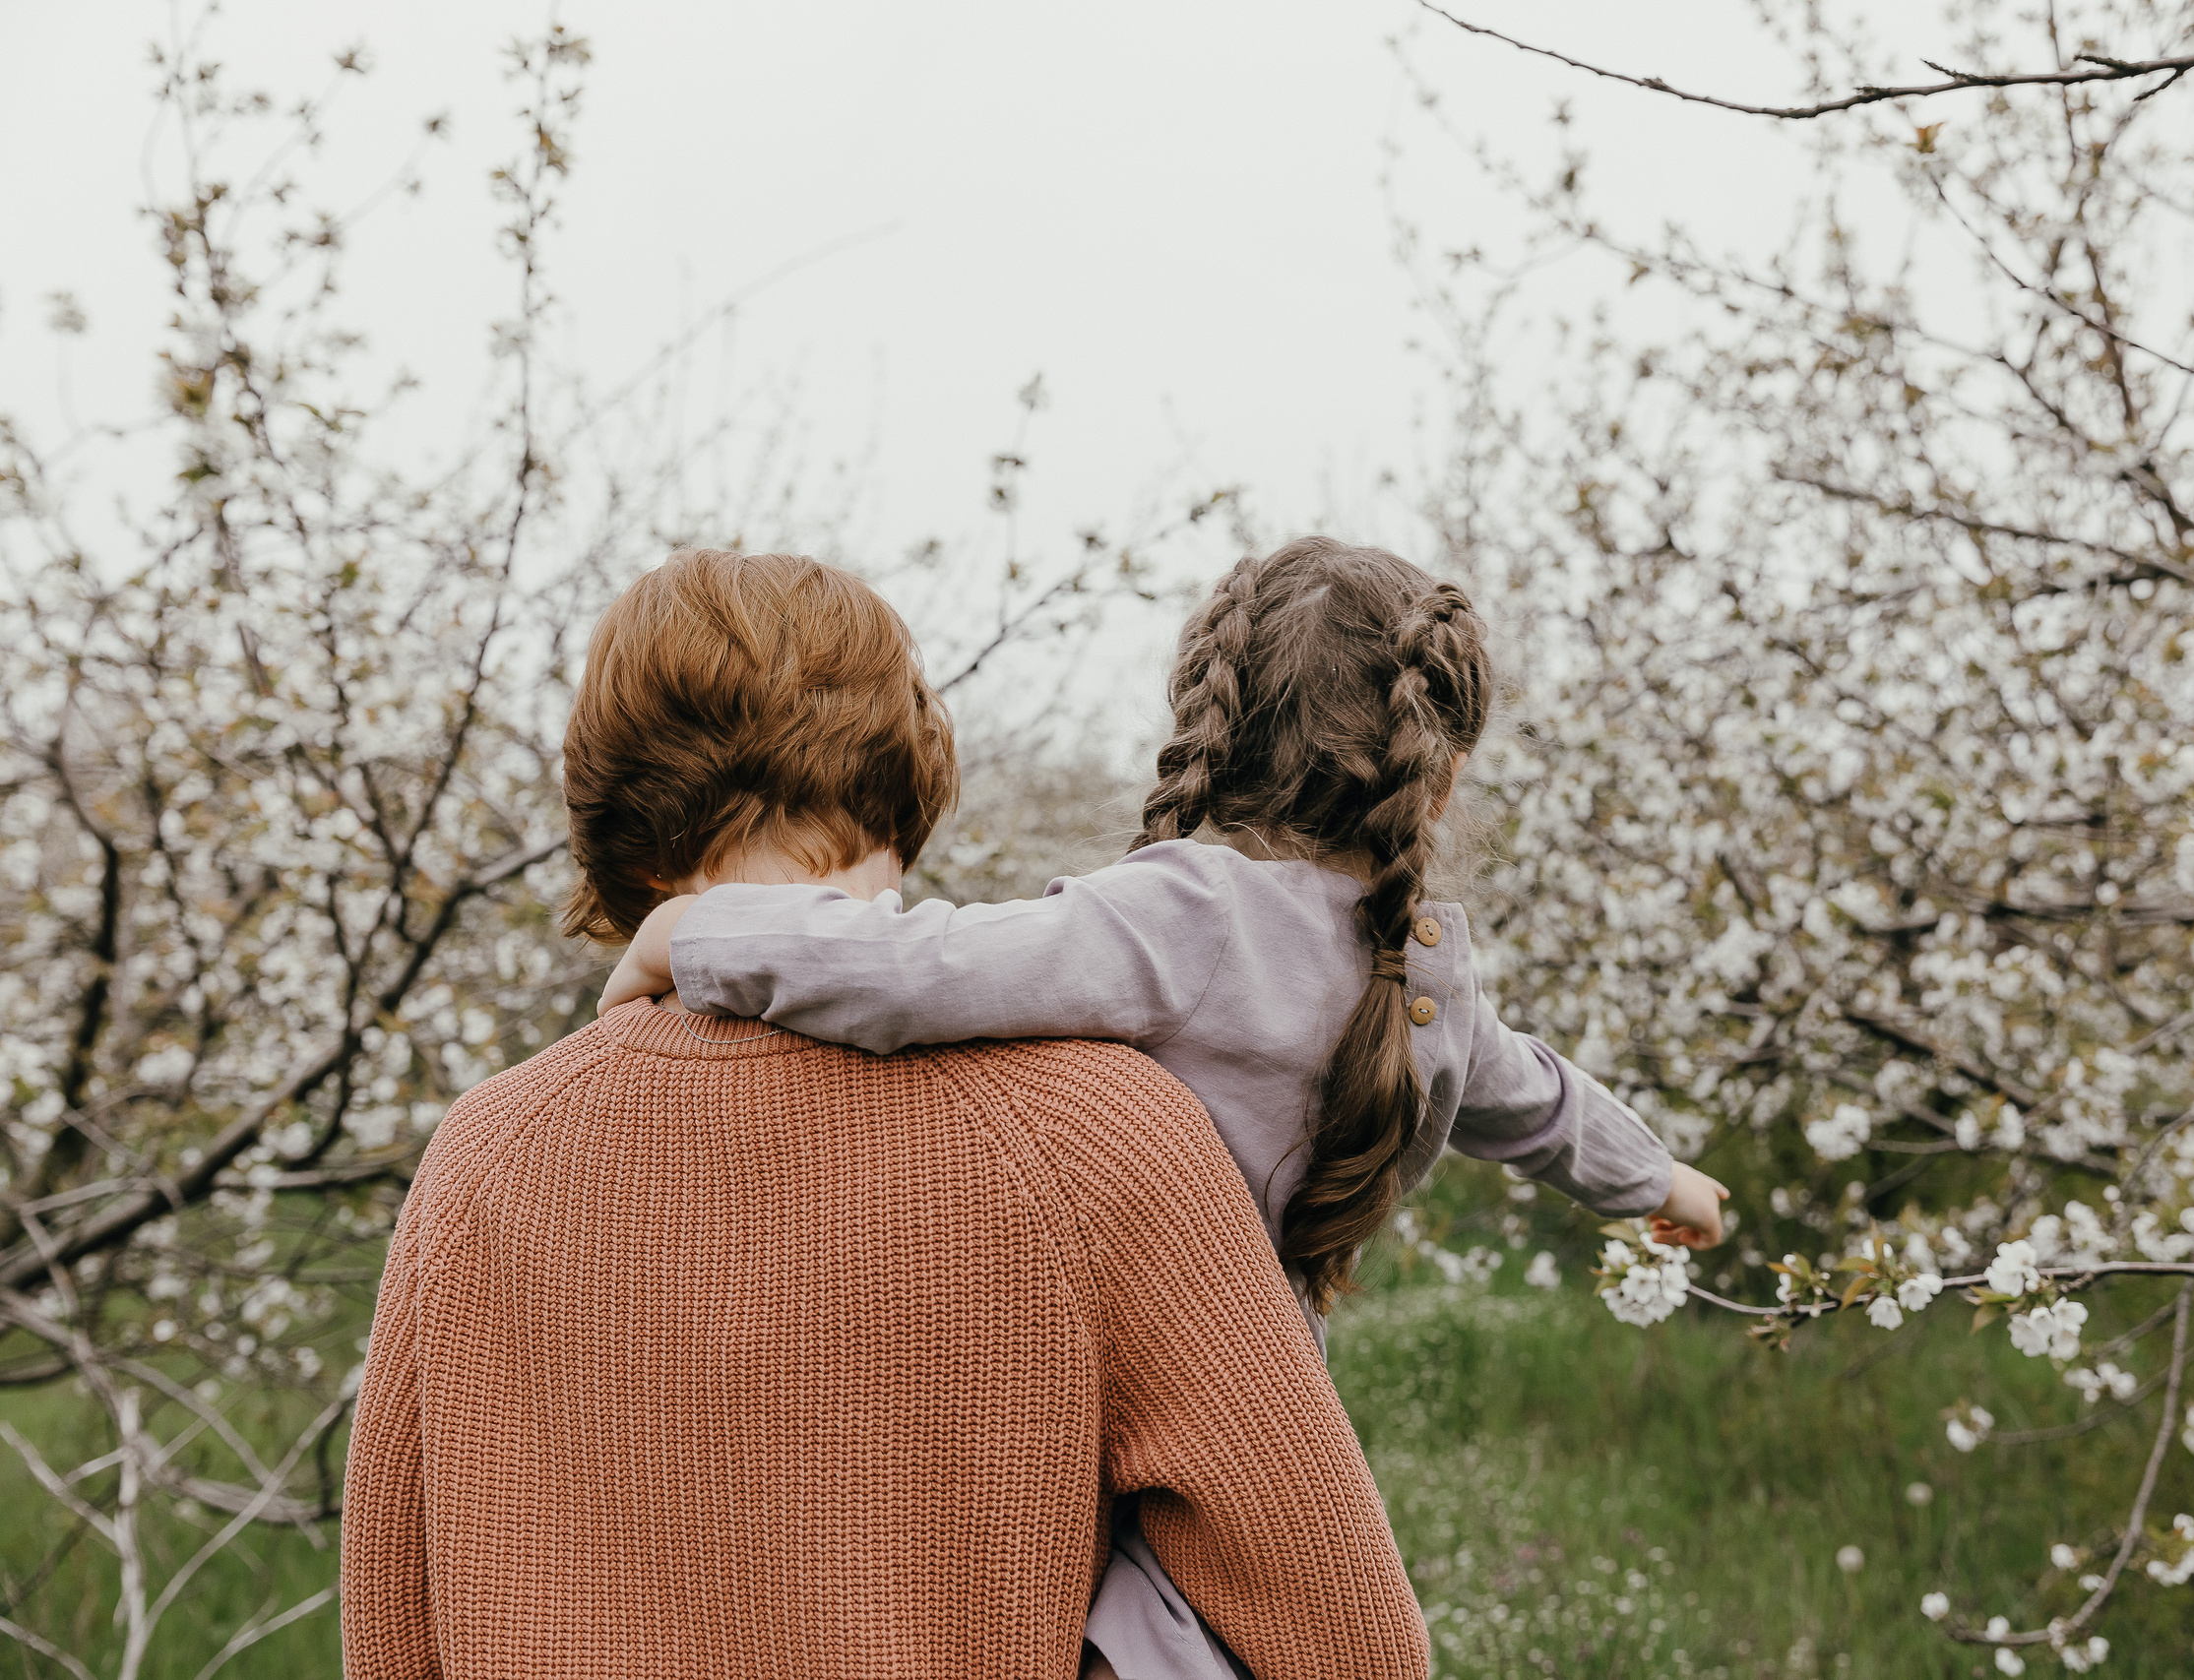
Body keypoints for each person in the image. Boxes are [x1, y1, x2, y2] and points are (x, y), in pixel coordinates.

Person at [598, 536, 1732, 1680]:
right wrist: (1662, 1181)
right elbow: (1531, 1096)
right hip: (1268, 1390)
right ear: (1436, 778)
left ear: (1211, 728)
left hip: (1095, 1378)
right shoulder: (1423, 966)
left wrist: (699, 939)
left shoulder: (1181, 915)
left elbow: (922, 972)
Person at [338, 549, 1431, 1680]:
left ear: (603, 808)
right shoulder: (1099, 1136)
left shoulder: (483, 1153)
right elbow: (1350, 1646)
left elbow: (392, 1629)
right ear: (904, 774)